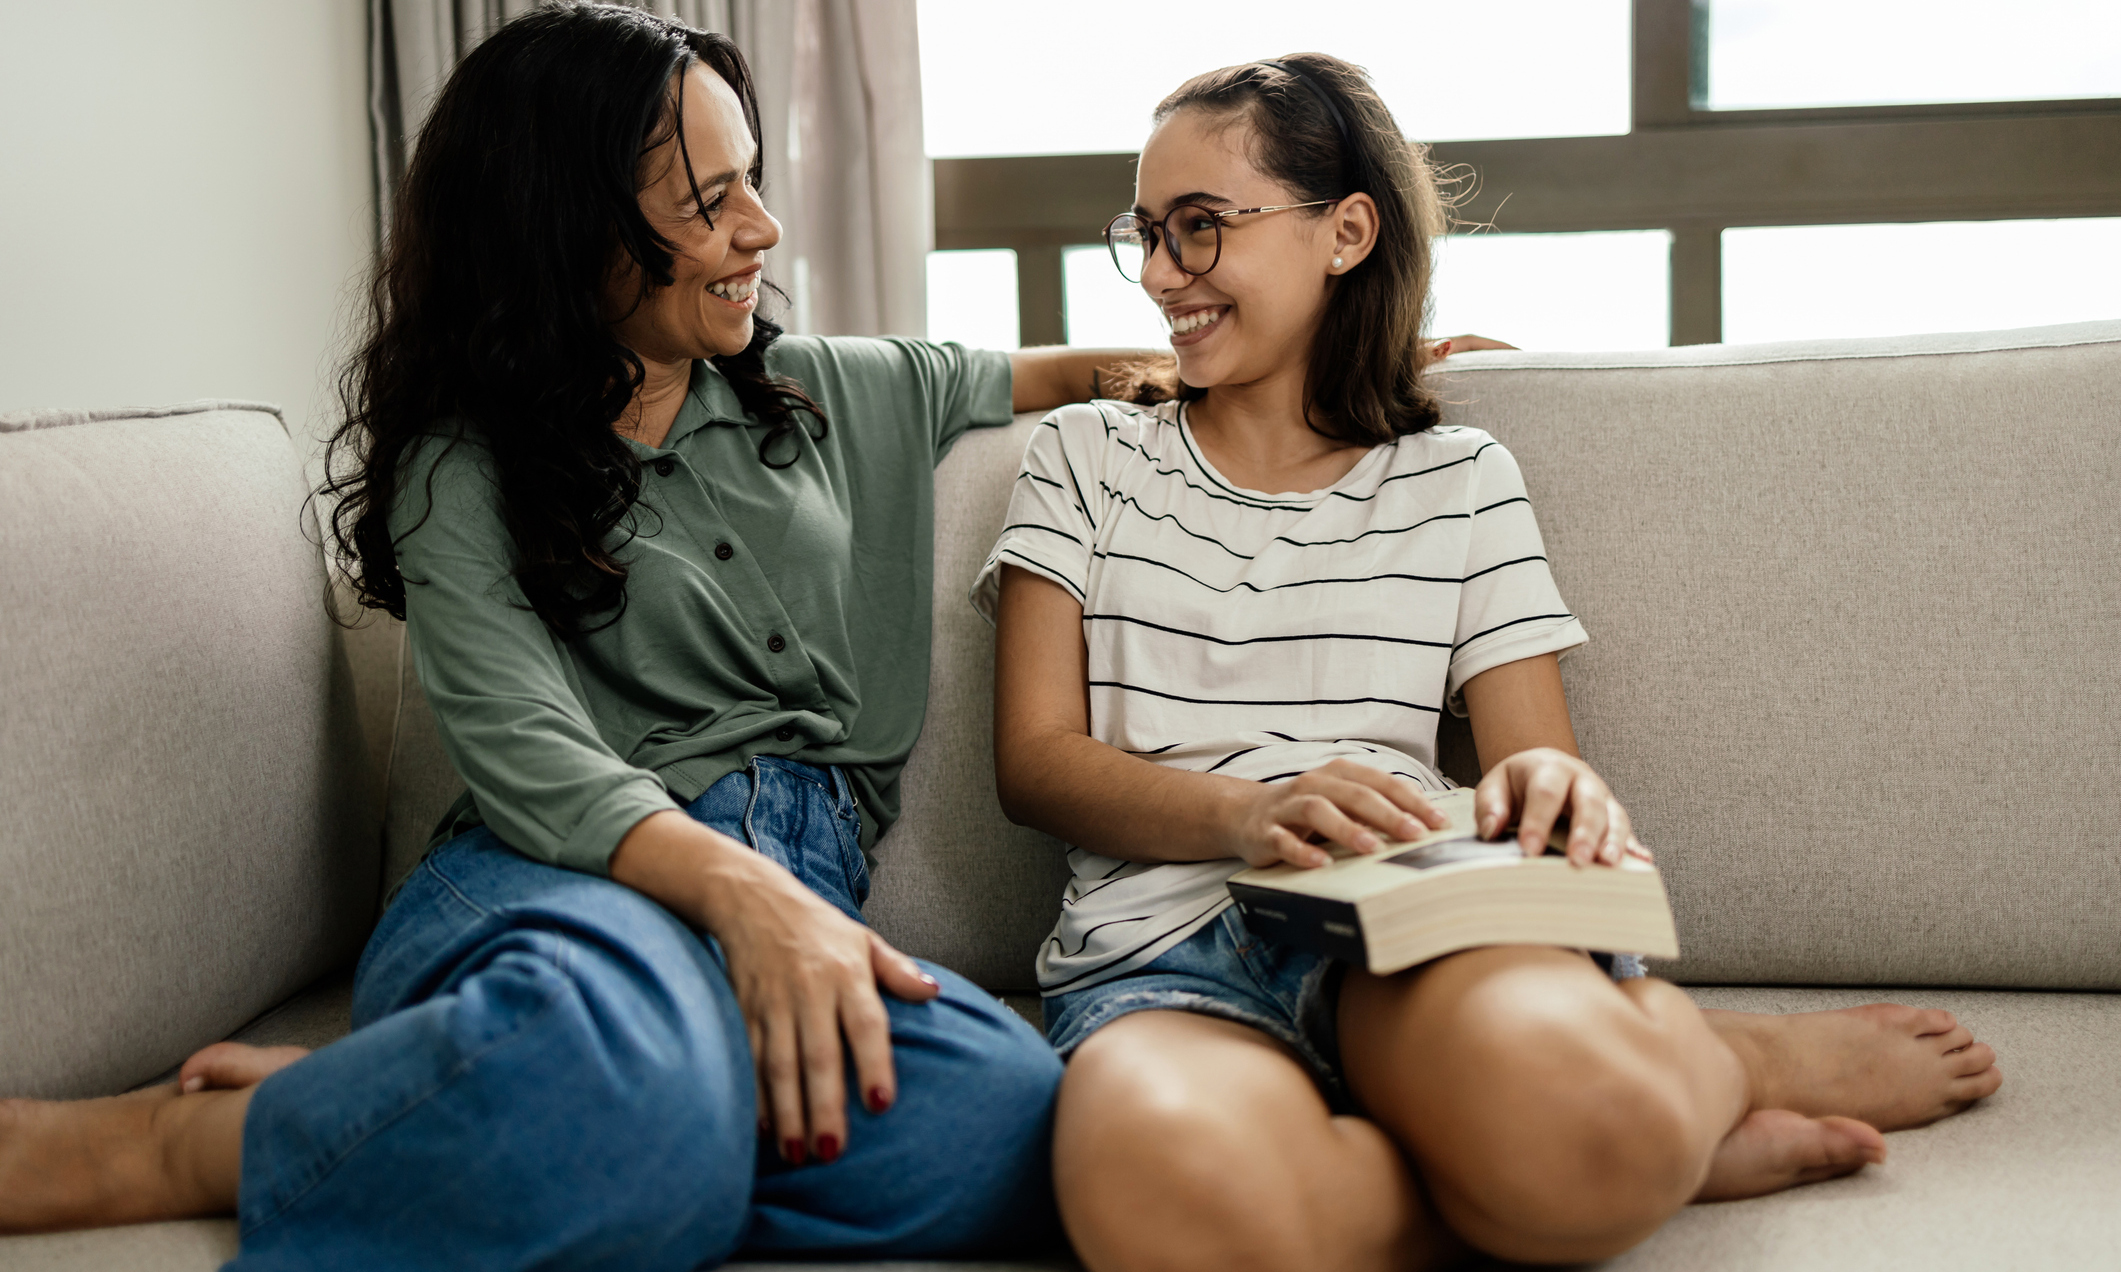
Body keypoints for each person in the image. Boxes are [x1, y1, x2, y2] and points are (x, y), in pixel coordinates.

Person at [0, 7, 1133, 1267]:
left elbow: (1077, 375)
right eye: (708, 202)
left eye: (751, 178)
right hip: (555, 888)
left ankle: (476, 1114)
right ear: (566, 232)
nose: (759, 228)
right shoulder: (462, 464)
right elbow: (523, 744)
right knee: (639, 1101)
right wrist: (745, 899)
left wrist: (1326, 358)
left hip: (790, 896)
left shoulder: (824, 391)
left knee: (1009, 1125)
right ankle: (182, 1147)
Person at [983, 54, 2004, 1270]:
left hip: (1405, 913)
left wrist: (1558, 796)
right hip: (1155, 953)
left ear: (1346, 230)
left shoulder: (1460, 479)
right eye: (1146, 235)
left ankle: (1722, 1064)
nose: (1160, 275)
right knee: (1174, 1218)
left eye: (1201, 230)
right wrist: (1251, 815)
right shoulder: (1085, 459)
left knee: (1590, 1130)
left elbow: (1538, 774)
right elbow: (1036, 764)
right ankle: (1564, 1159)